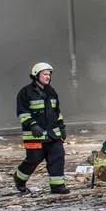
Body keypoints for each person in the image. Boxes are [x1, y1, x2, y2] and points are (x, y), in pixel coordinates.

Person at [14, 62, 68, 194]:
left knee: (57, 157)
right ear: (36, 75)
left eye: (49, 74)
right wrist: (33, 125)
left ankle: (57, 186)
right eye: (45, 74)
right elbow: (22, 113)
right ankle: (19, 179)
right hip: (34, 135)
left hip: (52, 134)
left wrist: (61, 127)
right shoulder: (25, 92)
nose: (48, 77)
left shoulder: (51, 91)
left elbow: (57, 112)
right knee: (33, 160)